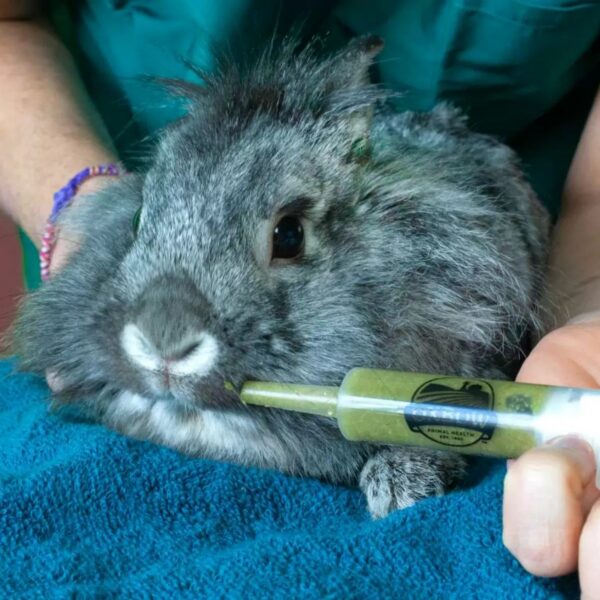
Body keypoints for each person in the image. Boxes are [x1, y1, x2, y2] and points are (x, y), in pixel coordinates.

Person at [0, 1, 599, 593]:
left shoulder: (426, 273)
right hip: (106, 142)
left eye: (286, 240)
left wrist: (588, 305)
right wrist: (81, 210)